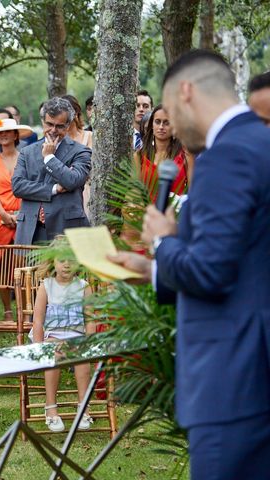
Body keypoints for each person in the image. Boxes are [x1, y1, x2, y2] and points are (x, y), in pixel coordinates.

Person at [109, 49, 270, 479]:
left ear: (185, 92)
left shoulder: (227, 155)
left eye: (170, 114)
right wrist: (152, 270)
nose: (172, 127)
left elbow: (212, 273)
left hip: (236, 377)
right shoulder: (259, 142)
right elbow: (243, 256)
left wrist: (162, 244)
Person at [12, 97, 92, 244]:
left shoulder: (81, 151)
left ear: (68, 126)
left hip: (66, 230)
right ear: (43, 121)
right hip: (32, 230)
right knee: (27, 268)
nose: (53, 130)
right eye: (49, 124)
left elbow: (72, 180)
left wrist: (49, 158)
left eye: (59, 126)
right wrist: (54, 188)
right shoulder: (26, 152)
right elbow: (18, 187)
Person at [31, 247, 93, 432]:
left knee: (82, 359)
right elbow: (38, 319)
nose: (66, 264)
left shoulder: (83, 286)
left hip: (77, 336)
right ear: (53, 262)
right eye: (62, 260)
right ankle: (51, 407)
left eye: (71, 260)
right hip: (53, 336)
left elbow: (90, 318)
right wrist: (38, 345)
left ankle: (84, 407)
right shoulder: (47, 285)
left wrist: (89, 341)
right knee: (54, 355)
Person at [0, 118, 33, 318]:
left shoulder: (26, 158)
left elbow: (30, 186)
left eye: (8, 132)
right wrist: (3, 214)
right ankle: (8, 311)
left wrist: (18, 215)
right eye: (0, 132)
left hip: (24, 213)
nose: (3, 135)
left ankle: (25, 310)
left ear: (15, 135)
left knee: (23, 261)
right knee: (0, 262)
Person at [135, 104, 188, 197]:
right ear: (152, 125)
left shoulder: (185, 155)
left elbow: (193, 190)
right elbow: (134, 190)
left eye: (167, 122)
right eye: (157, 122)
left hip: (176, 210)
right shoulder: (139, 156)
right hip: (146, 210)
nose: (161, 127)